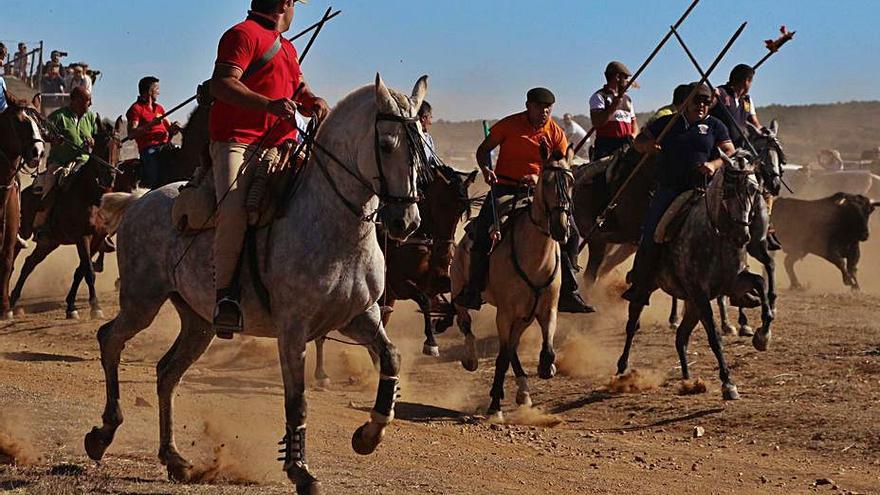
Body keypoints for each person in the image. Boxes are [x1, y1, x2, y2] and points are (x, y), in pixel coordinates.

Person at [209, 0, 329, 337]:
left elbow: (297, 89)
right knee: (233, 208)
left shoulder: (288, 48)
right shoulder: (241, 35)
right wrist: (268, 106)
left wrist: (312, 100)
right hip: (239, 141)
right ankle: (226, 297)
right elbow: (222, 83)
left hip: (284, 145)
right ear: (286, 4)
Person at [454, 87, 595, 314]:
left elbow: (562, 165)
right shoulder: (508, 125)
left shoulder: (556, 133)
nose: (544, 112)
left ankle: (568, 290)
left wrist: (540, 178)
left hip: (540, 192)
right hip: (505, 187)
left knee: (572, 234)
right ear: (528, 106)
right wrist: (486, 170)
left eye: (548, 108)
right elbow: (484, 150)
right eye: (539, 107)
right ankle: (473, 288)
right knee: (481, 232)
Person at [621, 82, 735, 306]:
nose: (701, 105)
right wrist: (649, 146)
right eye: (696, 101)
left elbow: (729, 150)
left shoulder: (716, 126)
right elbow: (638, 141)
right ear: (685, 103)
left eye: (705, 101)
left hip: (705, 189)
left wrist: (714, 163)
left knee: (736, 226)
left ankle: (738, 281)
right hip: (671, 189)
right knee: (651, 232)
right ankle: (641, 284)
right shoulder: (668, 123)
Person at [33, 87, 98, 239]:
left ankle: (104, 229)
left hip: (84, 161)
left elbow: (97, 136)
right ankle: (41, 225)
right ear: (75, 100)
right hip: (61, 162)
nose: (90, 103)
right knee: (50, 184)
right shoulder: (59, 116)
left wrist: (93, 141)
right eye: (87, 100)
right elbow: (42, 132)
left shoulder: (91, 117)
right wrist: (53, 139)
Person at [126, 76, 180, 188]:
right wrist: (150, 125)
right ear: (150, 91)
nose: (159, 92)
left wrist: (174, 128)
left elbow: (169, 128)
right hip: (150, 149)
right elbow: (131, 133)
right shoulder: (136, 109)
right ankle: (148, 191)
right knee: (153, 172)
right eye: (157, 89)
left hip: (165, 145)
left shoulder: (160, 108)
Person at [589, 61, 638, 160]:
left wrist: (633, 136)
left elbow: (634, 124)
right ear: (617, 77)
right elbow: (597, 123)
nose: (628, 82)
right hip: (606, 148)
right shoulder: (599, 97)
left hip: (626, 146)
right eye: (626, 78)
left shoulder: (627, 99)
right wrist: (613, 107)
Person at [711, 64, 762, 148]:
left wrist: (765, 131)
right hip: (720, 148)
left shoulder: (747, 101)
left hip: (741, 149)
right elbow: (707, 107)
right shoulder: (720, 93)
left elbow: (755, 123)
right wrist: (711, 96)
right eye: (751, 81)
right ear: (747, 81)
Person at [418, 100, 438, 167]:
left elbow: (433, 162)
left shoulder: (428, 138)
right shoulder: (411, 139)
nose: (431, 122)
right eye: (430, 116)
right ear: (423, 118)